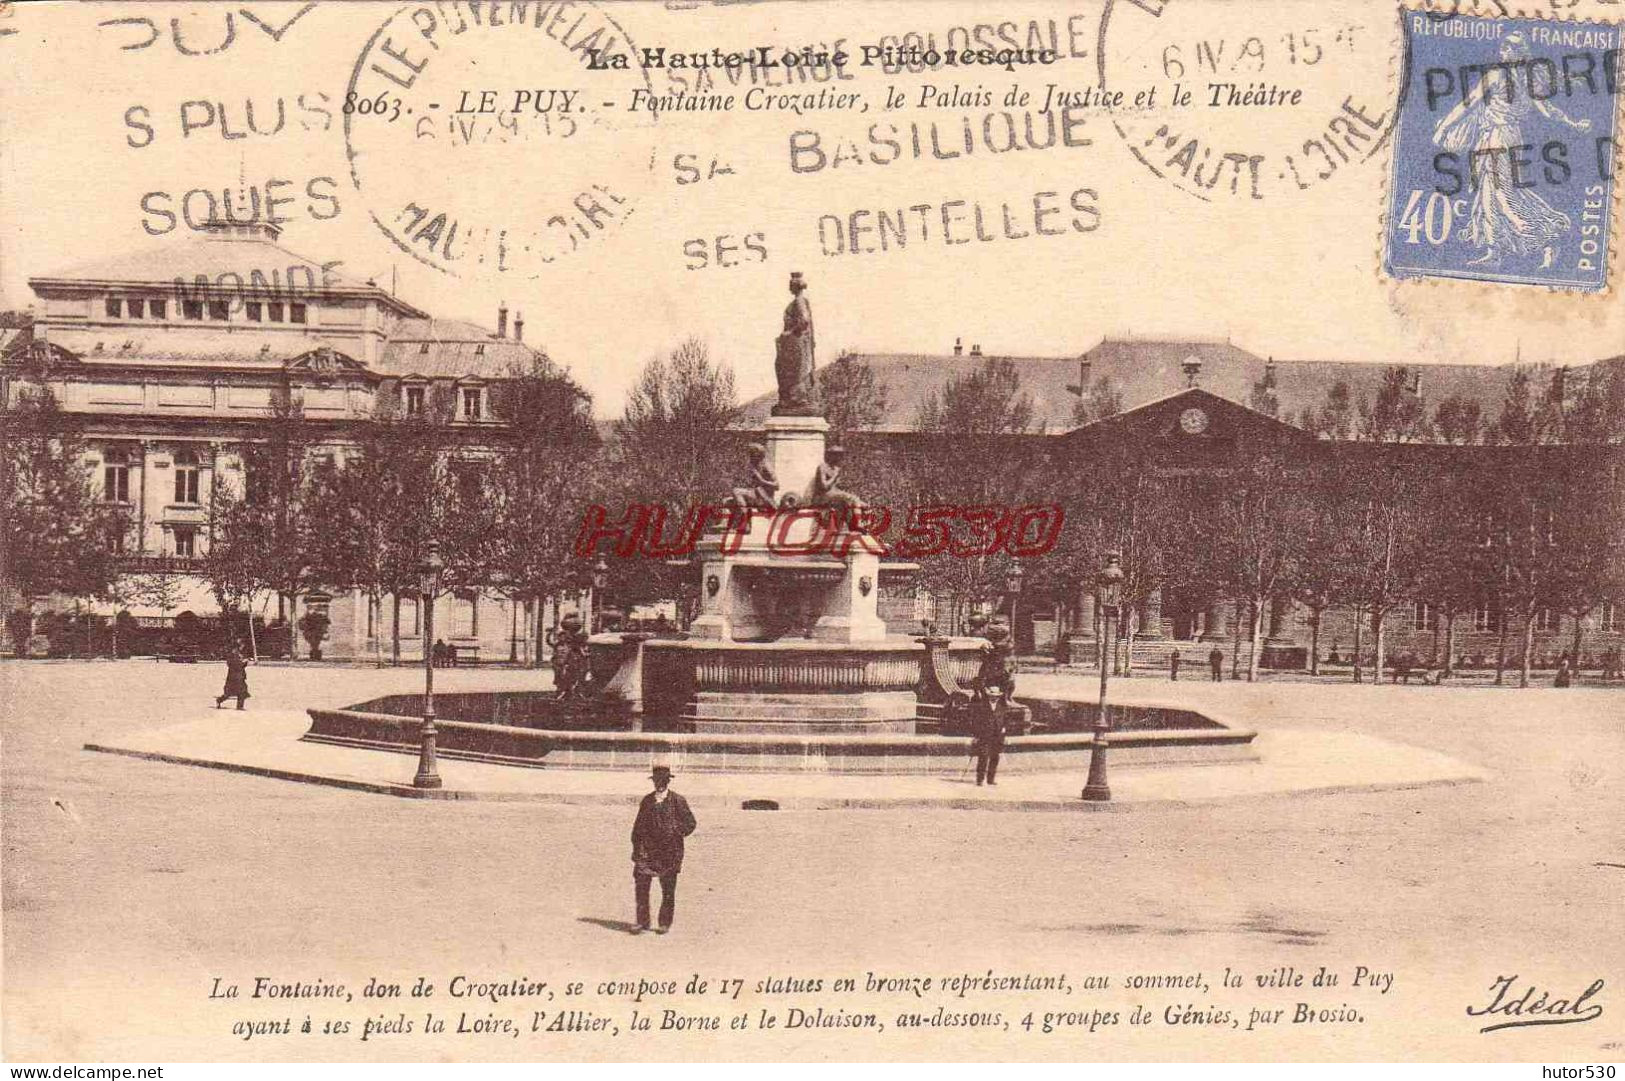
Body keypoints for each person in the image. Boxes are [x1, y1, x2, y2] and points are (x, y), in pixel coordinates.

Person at [630, 765, 697, 935]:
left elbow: (690, 823)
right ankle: (642, 922)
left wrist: (676, 831)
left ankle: (664, 923)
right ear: (653, 782)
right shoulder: (647, 801)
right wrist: (636, 847)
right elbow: (638, 826)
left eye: (663, 780)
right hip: (647, 851)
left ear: (668, 781)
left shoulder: (678, 801)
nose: (660, 784)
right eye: (657, 781)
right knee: (642, 886)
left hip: (669, 852)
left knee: (668, 888)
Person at [970, 685, 1010, 786]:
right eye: (992, 696)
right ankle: (980, 779)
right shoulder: (982, 707)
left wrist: (1004, 731)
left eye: (996, 696)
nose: (994, 698)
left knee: (995, 758)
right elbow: (976, 722)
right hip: (984, 736)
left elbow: (1005, 721)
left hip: (997, 737)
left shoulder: (1002, 708)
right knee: (983, 757)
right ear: (988, 696)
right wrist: (976, 736)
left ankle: (990, 779)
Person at [215, 642, 250, 710]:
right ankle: (219, 700)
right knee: (230, 692)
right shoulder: (232, 655)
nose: (242, 647)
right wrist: (243, 662)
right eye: (241, 646)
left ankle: (239, 706)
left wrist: (245, 662)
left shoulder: (238, 654)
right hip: (234, 677)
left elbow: (240, 665)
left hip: (239, 675)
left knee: (242, 691)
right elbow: (234, 665)